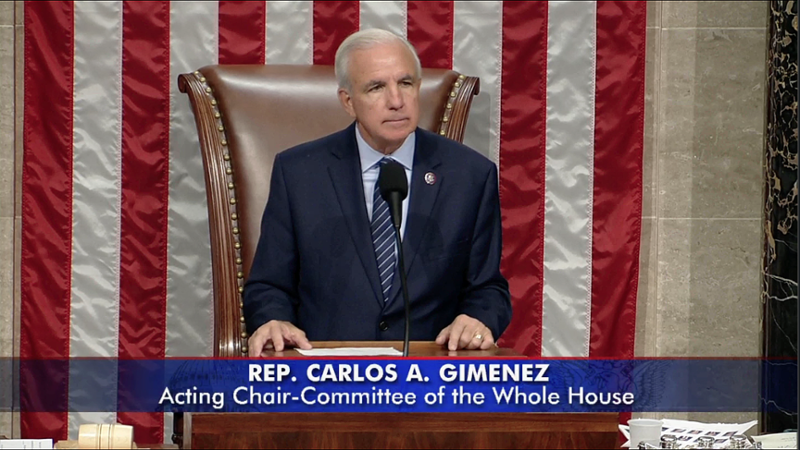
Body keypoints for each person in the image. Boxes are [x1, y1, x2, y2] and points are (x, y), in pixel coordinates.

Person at [243, 28, 511, 356]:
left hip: (430, 378)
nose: (396, 101)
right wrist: (272, 319)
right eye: (376, 87)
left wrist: (477, 319)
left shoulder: (469, 175)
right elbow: (269, 284)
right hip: (325, 379)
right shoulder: (299, 173)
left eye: (406, 83)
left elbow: (488, 289)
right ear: (348, 101)